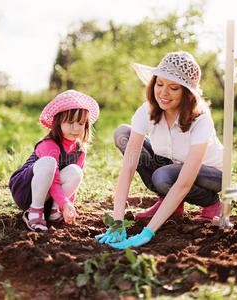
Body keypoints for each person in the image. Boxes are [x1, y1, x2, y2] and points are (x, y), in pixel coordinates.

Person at [96, 51, 223, 248]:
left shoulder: (200, 120)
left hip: (212, 174)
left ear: (187, 93)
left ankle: (213, 204)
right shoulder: (147, 110)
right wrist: (117, 222)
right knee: (123, 133)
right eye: (159, 84)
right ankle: (172, 205)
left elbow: (183, 182)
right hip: (174, 165)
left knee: (163, 177)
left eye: (173, 88)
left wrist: (147, 233)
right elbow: (128, 168)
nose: (163, 93)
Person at [9, 90, 99, 231]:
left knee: (76, 172)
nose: (76, 128)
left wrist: (68, 204)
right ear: (58, 123)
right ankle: (33, 213)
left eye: (81, 124)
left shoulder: (80, 150)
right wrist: (64, 202)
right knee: (49, 163)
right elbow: (54, 180)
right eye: (70, 123)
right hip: (26, 190)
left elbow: (73, 183)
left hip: (49, 196)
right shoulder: (50, 144)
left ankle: (53, 212)